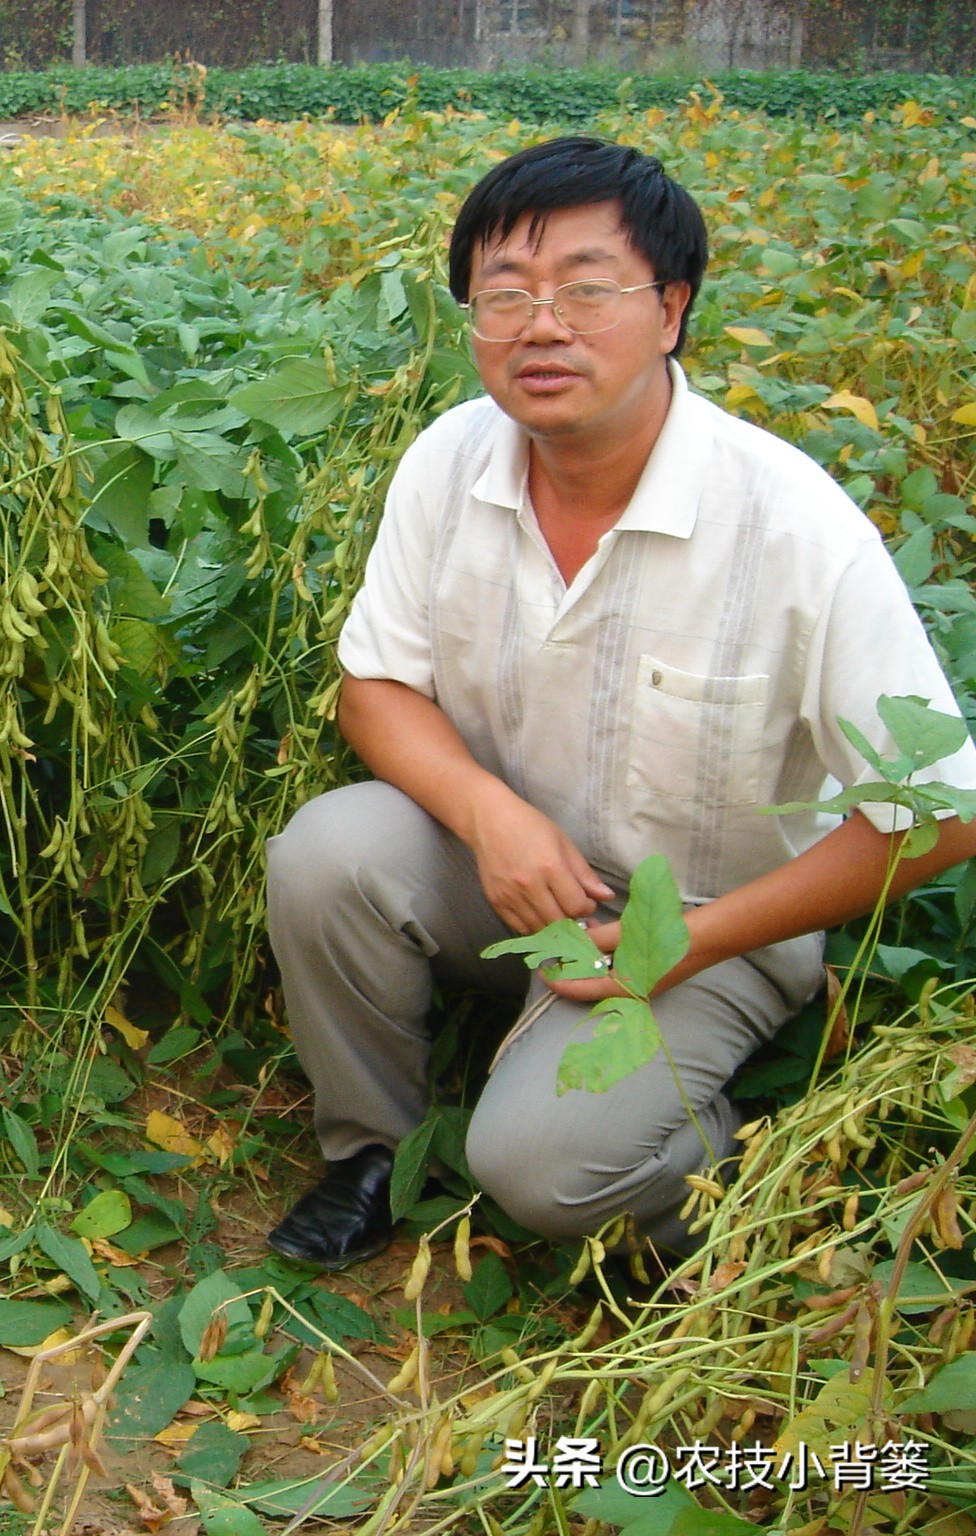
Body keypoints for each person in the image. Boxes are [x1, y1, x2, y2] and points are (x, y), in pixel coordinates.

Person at [262, 136, 976, 1268]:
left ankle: (735, 1190)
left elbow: (938, 813)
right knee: (325, 852)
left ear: (670, 311)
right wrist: (489, 815)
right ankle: (372, 1151)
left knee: (541, 1170)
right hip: (507, 877)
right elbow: (375, 687)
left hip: (711, 923)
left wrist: (677, 947)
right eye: (504, 293)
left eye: (587, 289)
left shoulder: (791, 527)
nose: (541, 325)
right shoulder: (447, 463)